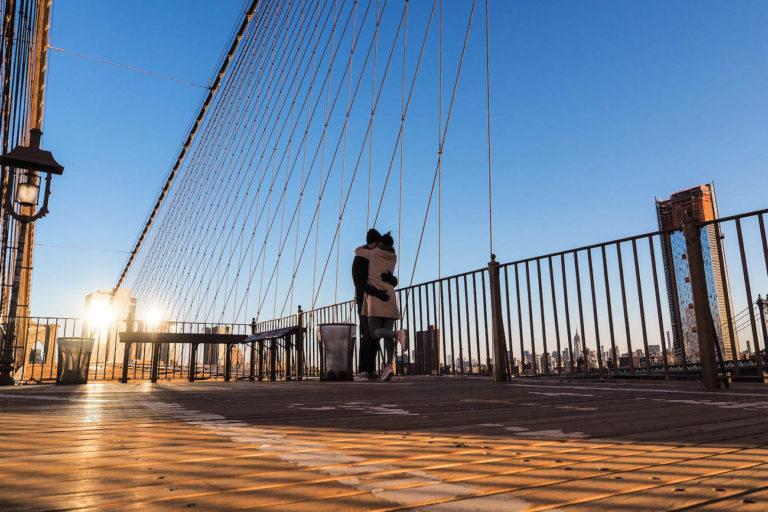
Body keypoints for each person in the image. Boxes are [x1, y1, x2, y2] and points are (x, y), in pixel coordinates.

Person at [355, 231, 405, 381]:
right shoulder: (393, 256)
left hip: (373, 299)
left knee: (374, 333)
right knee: (376, 335)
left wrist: (391, 280)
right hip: (387, 296)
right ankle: (384, 368)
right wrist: (393, 280)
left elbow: (357, 251)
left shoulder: (371, 253)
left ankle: (397, 335)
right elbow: (360, 282)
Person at [352, 229, 390, 379]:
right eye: (378, 244)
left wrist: (391, 279)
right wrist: (376, 292)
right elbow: (358, 283)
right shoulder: (360, 257)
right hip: (364, 301)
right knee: (367, 335)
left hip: (376, 301)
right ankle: (363, 370)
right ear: (372, 243)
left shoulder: (375, 256)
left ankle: (371, 370)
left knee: (375, 336)